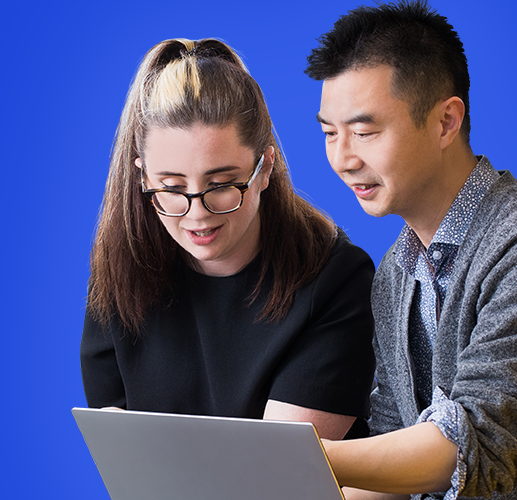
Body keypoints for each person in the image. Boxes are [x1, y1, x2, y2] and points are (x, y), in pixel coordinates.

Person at [80, 38, 376, 441]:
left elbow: (276, 471)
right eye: (172, 186)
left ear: (265, 167)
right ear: (143, 176)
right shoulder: (120, 274)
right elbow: (125, 456)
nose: (197, 212)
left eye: (221, 184)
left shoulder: (336, 279)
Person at [306, 1, 517, 498]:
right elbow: (391, 449)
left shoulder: (509, 243)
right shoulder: (395, 273)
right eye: (329, 134)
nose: (343, 158)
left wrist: (286, 459)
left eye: (364, 132)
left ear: (446, 122)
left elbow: (475, 443)